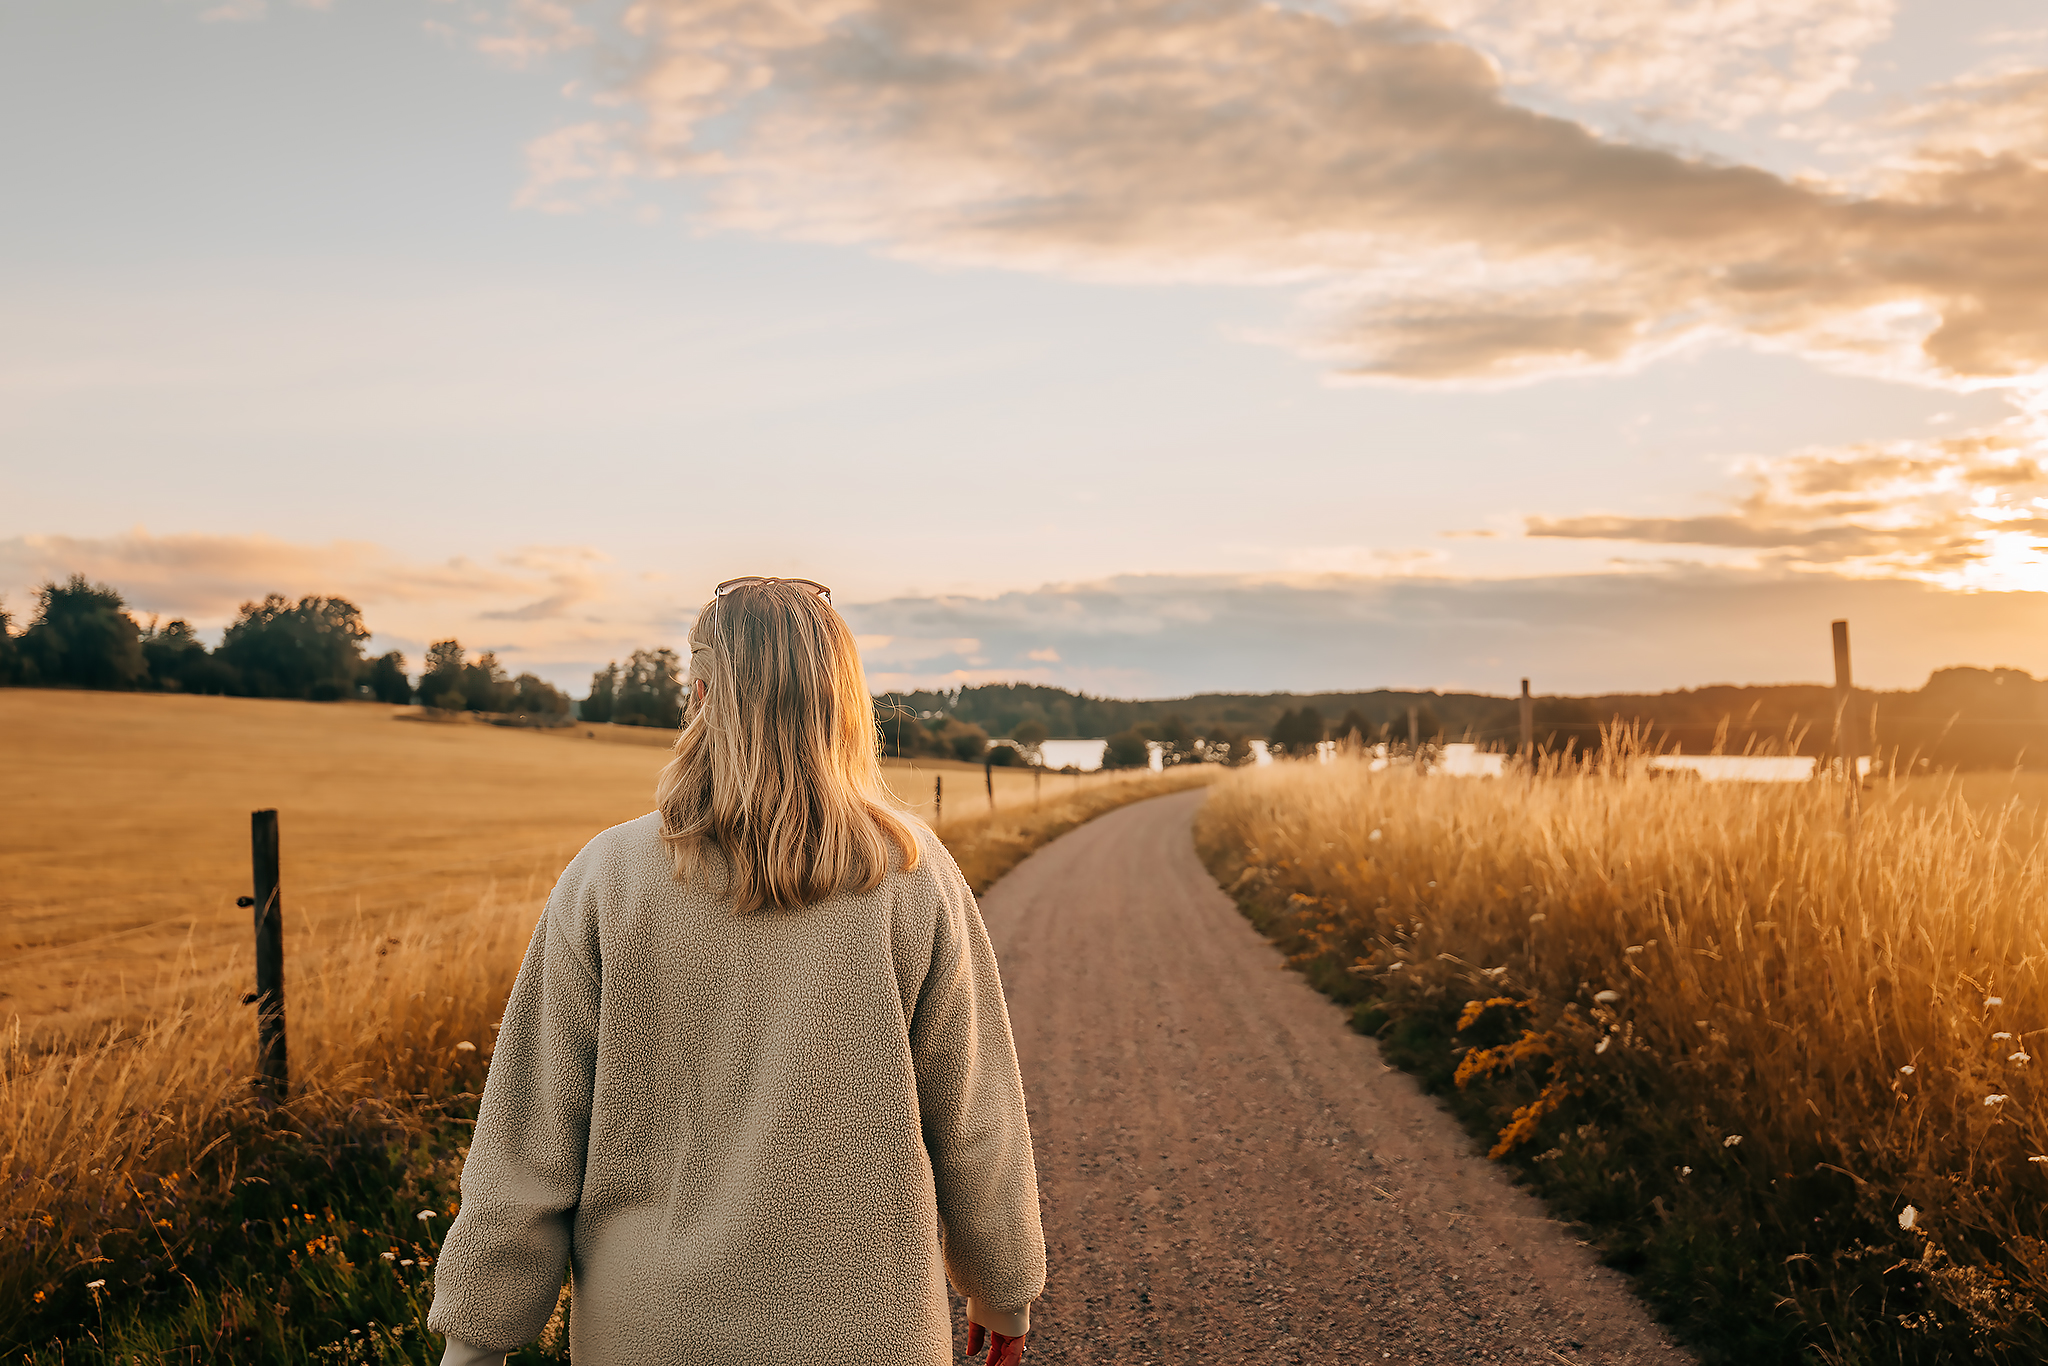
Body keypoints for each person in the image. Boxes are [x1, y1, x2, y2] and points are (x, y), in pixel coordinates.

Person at [428, 577, 1045, 1366]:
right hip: (869, 1337)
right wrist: (1003, 1288)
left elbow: (528, 1137)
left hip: (646, 1335)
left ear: (700, 695)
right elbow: (976, 1115)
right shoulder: (910, 875)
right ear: (842, 700)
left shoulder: (608, 876)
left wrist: (477, 1342)